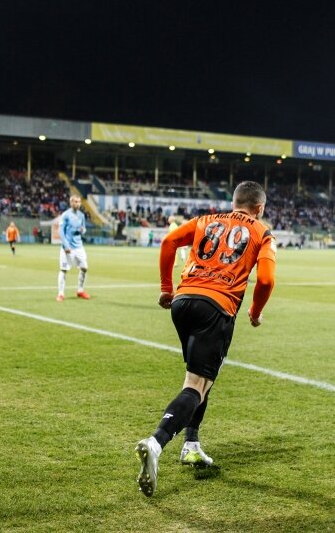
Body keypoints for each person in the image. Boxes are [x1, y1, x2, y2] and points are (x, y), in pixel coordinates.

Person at [134, 181, 277, 498]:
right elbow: (266, 280)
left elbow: (169, 241)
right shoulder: (262, 231)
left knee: (202, 376)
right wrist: (255, 312)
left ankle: (191, 444)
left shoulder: (206, 220)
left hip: (183, 302)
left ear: (234, 201)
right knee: (196, 385)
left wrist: (166, 289)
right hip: (216, 307)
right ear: (259, 208)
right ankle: (156, 442)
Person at [56, 194, 90, 301]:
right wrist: (66, 245)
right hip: (68, 247)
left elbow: (84, 228)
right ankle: (60, 294)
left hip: (79, 246)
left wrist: (83, 231)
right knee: (63, 269)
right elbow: (61, 231)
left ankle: (80, 291)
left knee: (84, 267)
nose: (77, 203)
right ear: (71, 203)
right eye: (75, 201)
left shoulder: (81, 215)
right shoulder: (66, 215)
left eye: (79, 202)